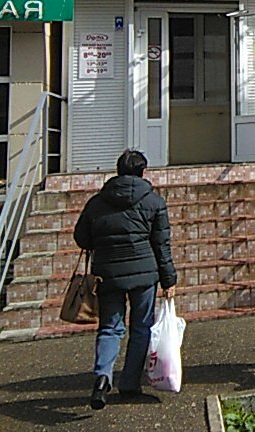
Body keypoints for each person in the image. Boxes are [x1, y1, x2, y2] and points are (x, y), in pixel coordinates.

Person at [73, 149, 177, 410]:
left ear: (118, 170)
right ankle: (129, 384)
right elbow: (161, 245)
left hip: (107, 274)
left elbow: (81, 238)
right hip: (144, 273)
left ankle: (102, 377)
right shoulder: (154, 202)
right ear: (142, 172)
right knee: (141, 328)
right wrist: (169, 280)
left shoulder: (97, 202)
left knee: (110, 328)